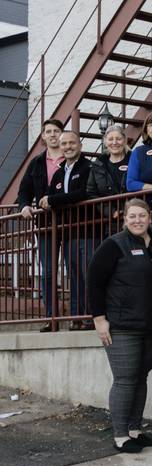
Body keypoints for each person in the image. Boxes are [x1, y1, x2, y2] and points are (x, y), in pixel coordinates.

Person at [88, 198, 152, 453]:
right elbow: (94, 282)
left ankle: (135, 429)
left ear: (150, 217)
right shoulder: (113, 245)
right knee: (124, 380)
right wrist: (100, 320)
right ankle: (121, 435)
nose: (137, 220)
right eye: (132, 216)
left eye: (141, 216)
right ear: (124, 219)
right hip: (122, 327)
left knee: (140, 377)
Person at [41, 131, 95, 330]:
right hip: (69, 233)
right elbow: (49, 195)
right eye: (64, 144)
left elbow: (84, 193)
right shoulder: (59, 171)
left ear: (79, 145)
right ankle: (77, 317)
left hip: (88, 231)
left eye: (72, 143)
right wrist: (46, 200)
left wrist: (53, 201)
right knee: (74, 275)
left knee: (88, 273)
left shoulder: (89, 167)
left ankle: (91, 316)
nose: (68, 146)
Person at [16, 118, 65, 332]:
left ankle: (79, 316)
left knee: (76, 267)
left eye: (57, 131)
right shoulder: (36, 162)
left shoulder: (71, 157)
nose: (53, 135)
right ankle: (51, 317)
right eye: (49, 132)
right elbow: (24, 190)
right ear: (43, 137)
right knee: (47, 272)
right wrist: (25, 206)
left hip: (73, 221)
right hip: (45, 224)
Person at [87, 125, 130, 200]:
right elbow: (91, 192)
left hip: (132, 209)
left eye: (118, 139)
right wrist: (110, 211)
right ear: (105, 142)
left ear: (125, 140)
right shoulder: (97, 165)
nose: (114, 142)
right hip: (108, 210)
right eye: (110, 139)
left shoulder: (134, 160)